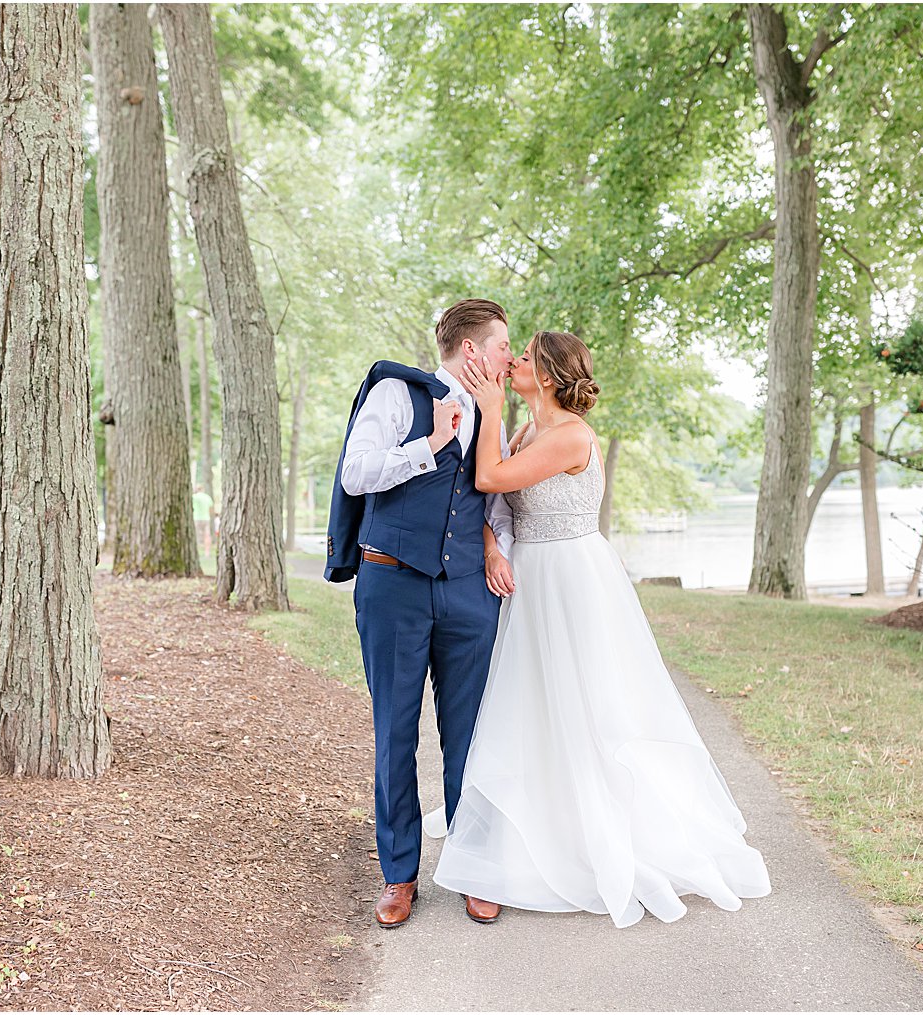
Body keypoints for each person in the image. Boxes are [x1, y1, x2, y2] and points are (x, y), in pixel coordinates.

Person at [430, 330, 773, 929]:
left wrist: (486, 410)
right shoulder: (526, 430)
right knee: (528, 707)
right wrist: (491, 549)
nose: (513, 362)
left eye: (527, 358)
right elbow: (496, 509)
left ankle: (598, 835)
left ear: (553, 374)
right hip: (530, 576)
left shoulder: (569, 436)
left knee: (587, 708)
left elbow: (488, 478)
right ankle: (522, 835)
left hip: (572, 579)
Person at [324, 298, 519, 928]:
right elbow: (356, 475)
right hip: (393, 586)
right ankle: (399, 873)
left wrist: (493, 548)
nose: (509, 359)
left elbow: (496, 498)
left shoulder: (494, 413)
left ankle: (469, 868)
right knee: (395, 732)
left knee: (469, 735)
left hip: (468, 593)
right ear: (472, 352)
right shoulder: (394, 395)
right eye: (501, 348)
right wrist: (431, 442)